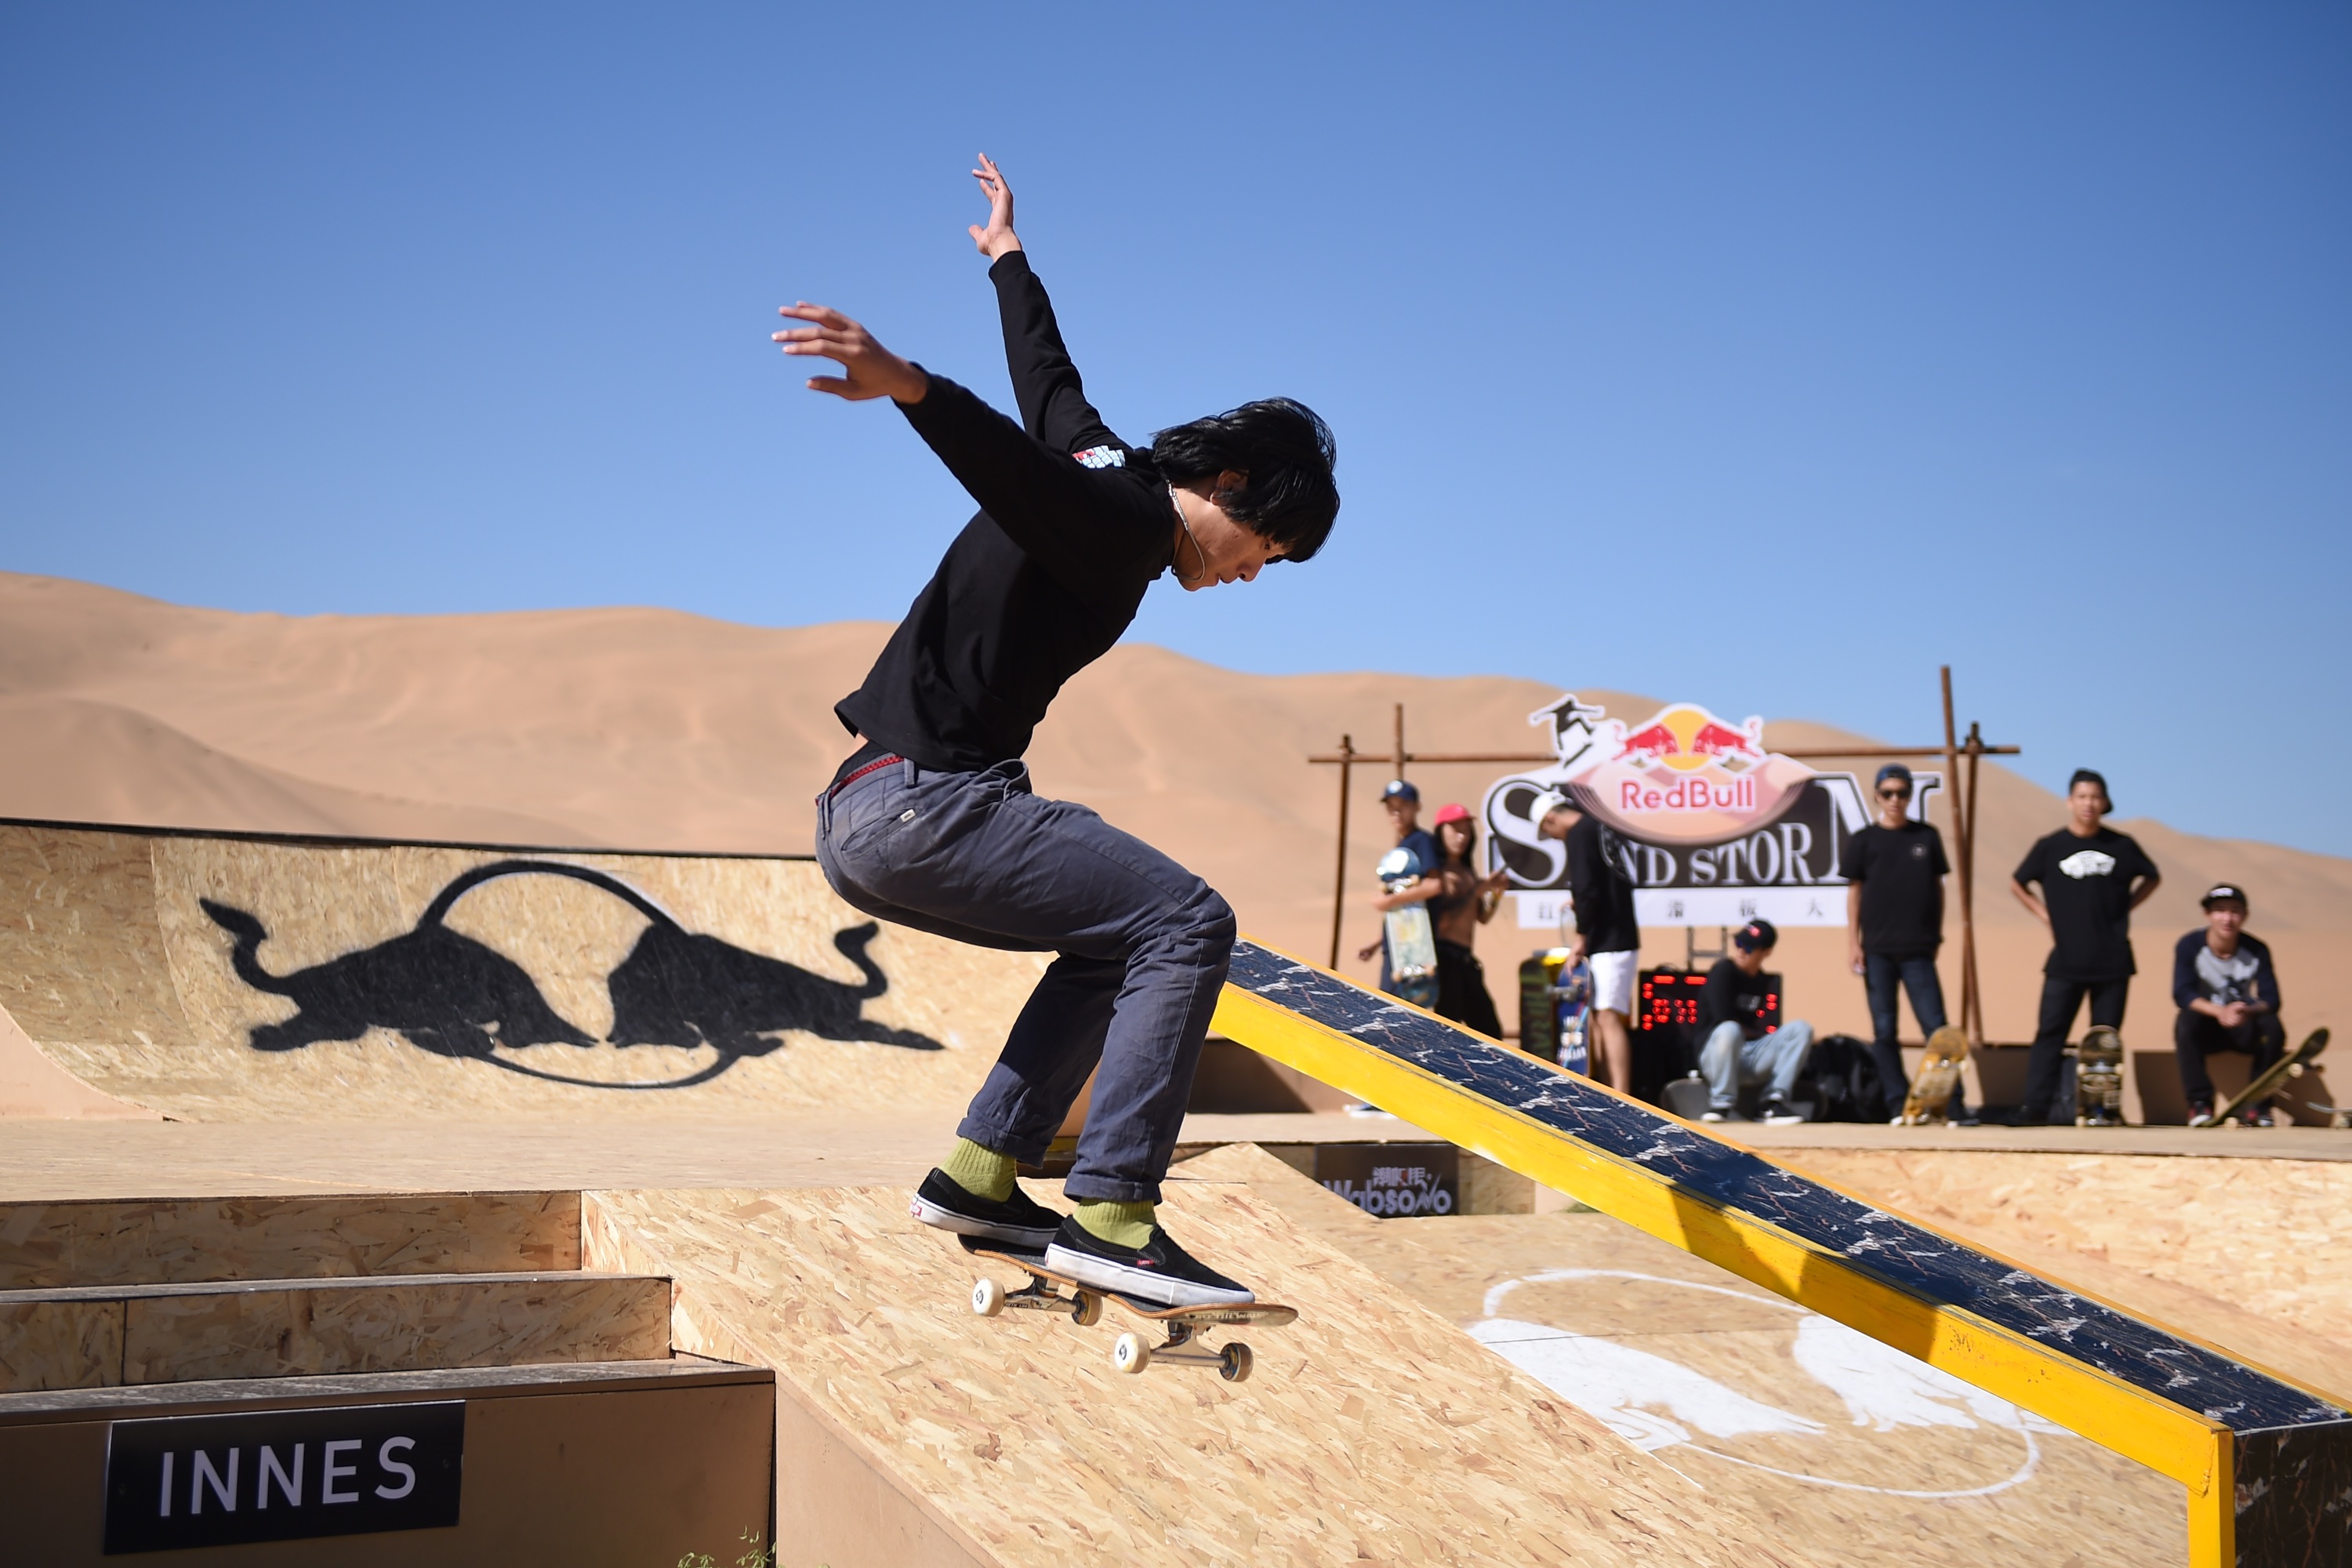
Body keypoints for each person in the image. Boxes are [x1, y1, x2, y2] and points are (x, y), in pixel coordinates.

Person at [787, 156, 1339, 1308]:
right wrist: (908, 386)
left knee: (1113, 944)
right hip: (930, 806)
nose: (1247, 578)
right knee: (1189, 921)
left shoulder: (1101, 460)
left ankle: (982, 1174)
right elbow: (1006, 463)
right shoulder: (1120, 525)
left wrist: (1007, 259)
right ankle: (1114, 1211)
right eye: (1263, 553)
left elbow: (1045, 377)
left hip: (865, 806)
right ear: (1230, 487)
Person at [2009, 769, 2161, 1125]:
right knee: (2050, 1034)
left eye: (2095, 797)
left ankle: (2102, 1110)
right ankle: (2035, 1108)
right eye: (2082, 797)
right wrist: (2044, 915)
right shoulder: (2051, 846)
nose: (2089, 804)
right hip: (2065, 960)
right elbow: (2018, 882)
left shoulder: (2122, 846)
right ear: (2069, 801)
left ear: (2105, 802)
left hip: (2113, 961)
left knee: (2105, 1043)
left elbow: (2153, 876)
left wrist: (2127, 906)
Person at [1845, 763, 1971, 1123]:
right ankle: (1897, 1103)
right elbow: (1854, 893)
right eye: (1888, 793)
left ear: (1910, 796)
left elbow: (1938, 889)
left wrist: (1936, 934)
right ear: (1877, 796)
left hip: (1918, 950)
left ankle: (1952, 1104)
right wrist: (1853, 943)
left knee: (1938, 1029)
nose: (1895, 800)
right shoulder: (1864, 840)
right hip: (1877, 951)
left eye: (1902, 793)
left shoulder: (1926, 836)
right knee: (1884, 1031)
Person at [1530, 789, 1638, 1092]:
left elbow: (1587, 886)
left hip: (1610, 941)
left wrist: (1580, 938)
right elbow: (1602, 885)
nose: (1554, 838)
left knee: (1609, 1018)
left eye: (1548, 832)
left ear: (1551, 818)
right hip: (1615, 936)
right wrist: (1580, 904)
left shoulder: (1578, 833)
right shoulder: (1597, 826)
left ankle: (1621, 1095)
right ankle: (1609, 1091)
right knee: (1602, 1017)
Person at [2172, 884, 2285, 1127]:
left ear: (2245, 915)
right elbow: (2183, 993)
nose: (2227, 918)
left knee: (2272, 1027)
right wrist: (2220, 1012)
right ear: (2208, 915)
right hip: (2208, 1028)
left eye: (2235, 911)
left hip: (2243, 1026)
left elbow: (2272, 999)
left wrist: (2245, 1010)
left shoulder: (2256, 949)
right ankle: (2200, 1104)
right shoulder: (2190, 946)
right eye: (2220, 910)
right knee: (2186, 1021)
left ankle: (2258, 1104)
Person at [1695, 920, 1813, 1124]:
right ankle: (1721, 1103)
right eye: (1739, 944)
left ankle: (1772, 1103)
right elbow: (1725, 1020)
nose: (1741, 951)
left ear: (1766, 952)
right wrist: (1757, 1035)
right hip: (1715, 1059)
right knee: (1729, 1030)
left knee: (1801, 1029)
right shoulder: (1723, 971)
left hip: (1746, 1057)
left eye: (1749, 948)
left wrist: (1764, 1041)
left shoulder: (1762, 980)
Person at [1426, 803, 1510, 1036]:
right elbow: (1442, 922)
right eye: (1455, 830)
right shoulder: (1438, 872)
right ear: (1441, 831)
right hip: (1444, 959)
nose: (1461, 837)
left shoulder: (1467, 871)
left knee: (1490, 1030)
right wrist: (1476, 891)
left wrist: (1495, 893)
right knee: (1447, 1028)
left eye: (1466, 830)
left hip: (1465, 960)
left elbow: (1481, 917)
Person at [1356, 780, 1444, 997]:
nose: (1396, 811)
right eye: (1390, 806)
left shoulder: (1421, 841)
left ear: (1416, 807)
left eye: (1402, 804)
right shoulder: (1403, 844)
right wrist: (1378, 941)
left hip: (1413, 945)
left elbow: (1434, 885)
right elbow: (1402, 900)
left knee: (1398, 1007)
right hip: (1397, 941)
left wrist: (1388, 902)